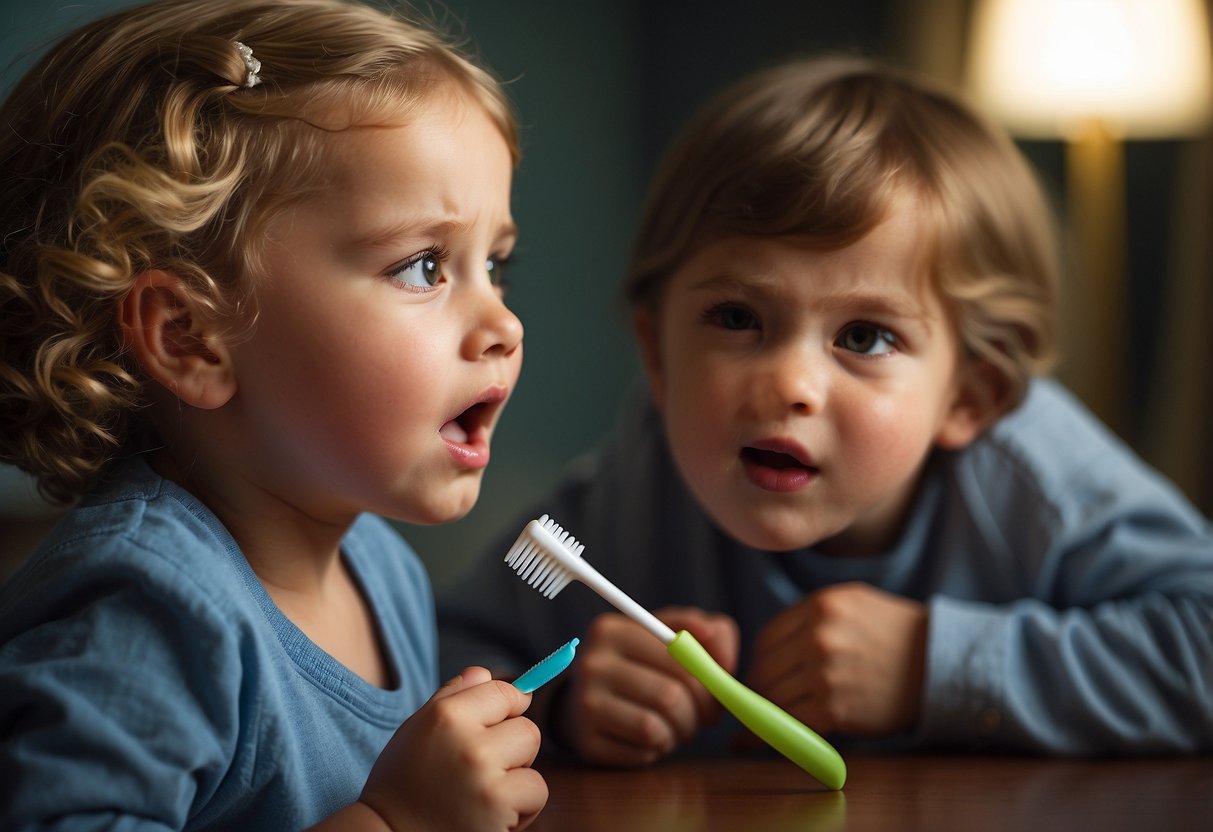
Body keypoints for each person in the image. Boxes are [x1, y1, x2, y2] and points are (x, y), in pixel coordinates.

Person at [438, 56, 1213, 767]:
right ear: (658, 355)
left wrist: (931, 665)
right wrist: (562, 706)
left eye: (864, 336)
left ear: (970, 394)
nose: (789, 385)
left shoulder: (1035, 477)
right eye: (738, 318)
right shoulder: (638, 488)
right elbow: (435, 657)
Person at [0, 0, 546, 828]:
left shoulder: (380, 565)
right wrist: (396, 822)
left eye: (494, 263)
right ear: (193, 338)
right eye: (423, 265)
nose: (502, 324)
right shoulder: (150, 613)